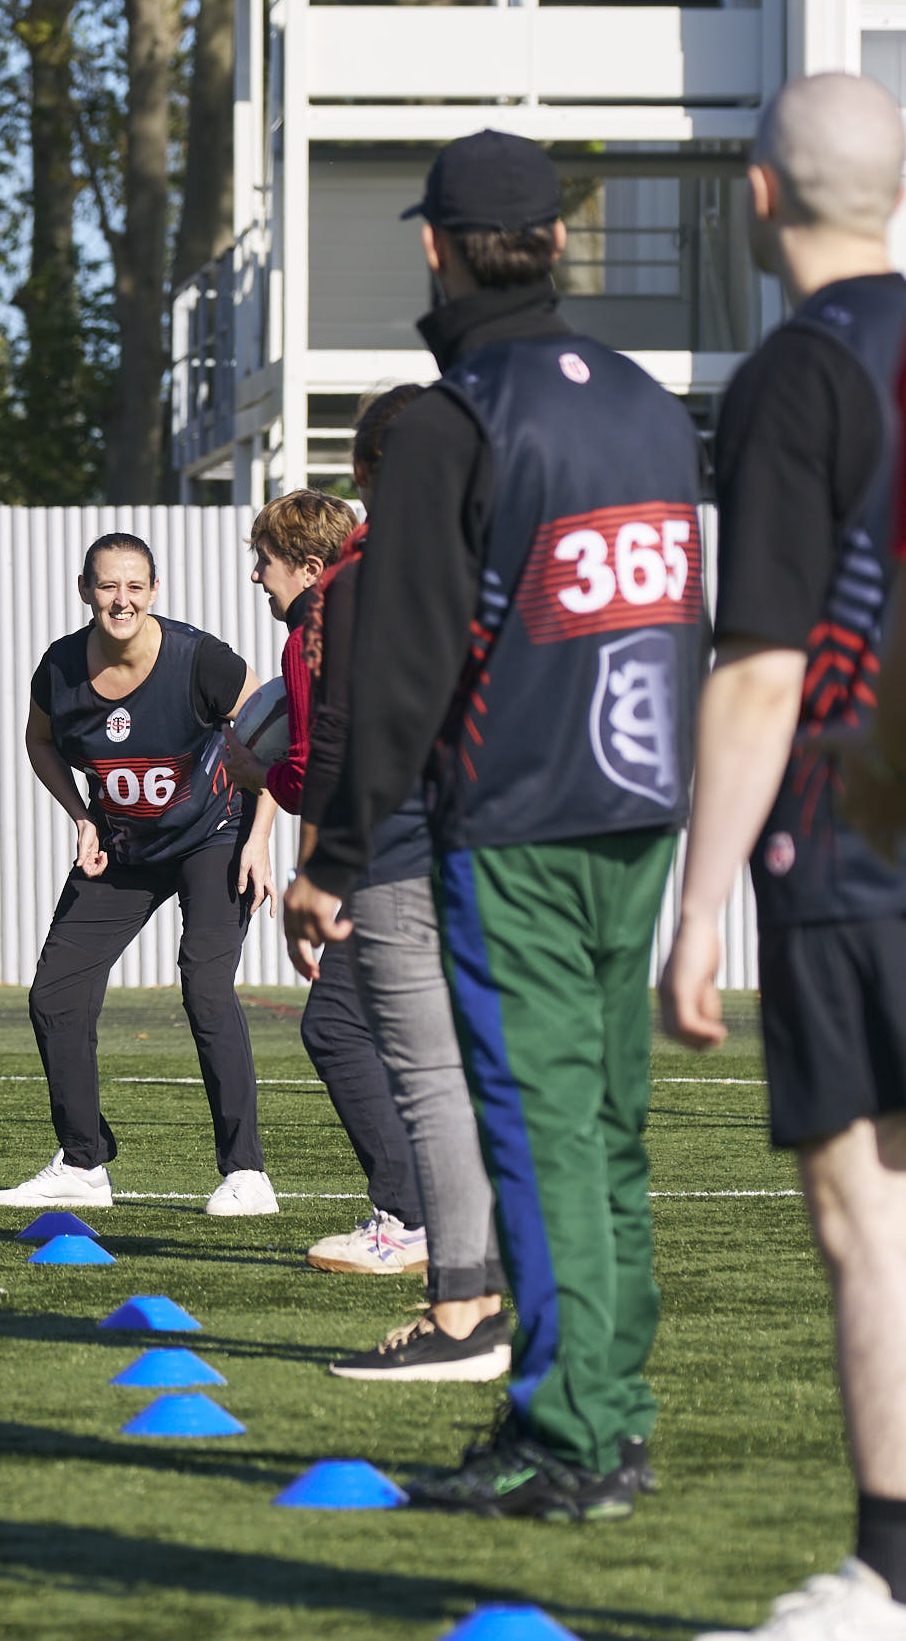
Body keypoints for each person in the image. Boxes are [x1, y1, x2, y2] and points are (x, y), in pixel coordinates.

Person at [283, 129, 703, 1520]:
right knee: (611, 1126)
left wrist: (333, 861)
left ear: (435, 244)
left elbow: (399, 666)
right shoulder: (647, 404)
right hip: (638, 812)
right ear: (561, 241)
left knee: (533, 1126)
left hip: (515, 821)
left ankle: (568, 1433)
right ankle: (613, 1414)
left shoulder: (461, 413)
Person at [661, 75, 906, 1638]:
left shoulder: (796, 380)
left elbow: (760, 665)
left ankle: (889, 1570)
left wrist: (697, 910)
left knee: (867, 1212)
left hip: (859, 847)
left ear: (759, 199)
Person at [310, 387, 513, 1385]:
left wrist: (323, 868)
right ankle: (520, 1303)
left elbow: (349, 734)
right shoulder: (502, 566)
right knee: (506, 1080)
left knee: (431, 1076)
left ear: (363, 473)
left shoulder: (359, 579)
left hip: (398, 846)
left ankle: (462, 1306)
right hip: (508, 845)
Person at [0, 531, 281, 1217]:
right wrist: (81, 816)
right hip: (122, 845)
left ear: (153, 592)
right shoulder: (60, 669)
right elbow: (39, 741)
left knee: (205, 984)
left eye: (133, 585)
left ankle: (246, 1172)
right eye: (106, 585)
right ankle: (83, 1159)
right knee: (54, 992)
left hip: (214, 836)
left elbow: (272, 732)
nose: (120, 598)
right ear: (84, 590)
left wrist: (261, 838)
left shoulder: (201, 661)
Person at [226, 490, 428, 1275]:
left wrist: (260, 770)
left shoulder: (320, 623)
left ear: (310, 566)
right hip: (446, 846)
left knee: (336, 1026)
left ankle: (408, 1218)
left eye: (265, 561)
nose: (255, 576)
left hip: (398, 853)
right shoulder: (399, 612)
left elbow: (322, 766)